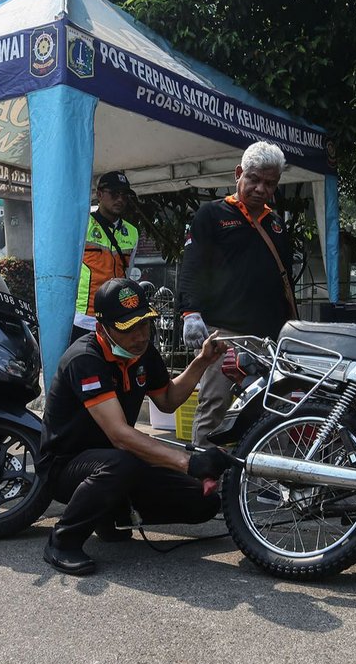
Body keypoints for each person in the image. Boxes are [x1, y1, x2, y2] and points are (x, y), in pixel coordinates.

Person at [39, 277, 234, 576]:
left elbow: (167, 400)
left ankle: (112, 514)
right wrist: (188, 461)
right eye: (129, 328)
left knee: (203, 503)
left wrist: (202, 361)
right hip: (66, 466)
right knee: (122, 462)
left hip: (118, 459)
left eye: (145, 324)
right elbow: (119, 435)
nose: (141, 335)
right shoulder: (85, 359)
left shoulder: (142, 352)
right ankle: (62, 541)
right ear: (102, 328)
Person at [178, 141, 296, 447]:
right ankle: (202, 482)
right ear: (238, 173)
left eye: (269, 183)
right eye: (254, 179)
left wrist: (290, 330)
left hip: (267, 338)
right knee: (214, 406)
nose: (260, 188)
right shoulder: (212, 215)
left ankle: (251, 482)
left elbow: (285, 283)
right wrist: (190, 313)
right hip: (223, 335)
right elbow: (192, 266)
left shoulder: (276, 225)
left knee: (266, 412)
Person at [71, 171, 139, 343]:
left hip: (115, 319)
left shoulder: (132, 232)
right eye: (114, 193)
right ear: (99, 194)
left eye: (124, 195)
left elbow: (127, 275)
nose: (120, 199)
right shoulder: (81, 224)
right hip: (82, 318)